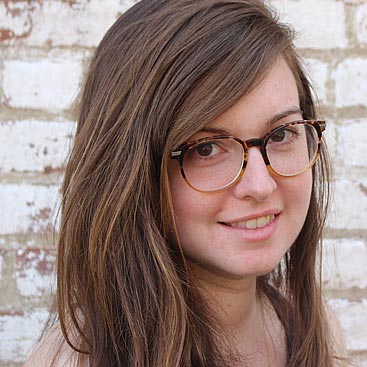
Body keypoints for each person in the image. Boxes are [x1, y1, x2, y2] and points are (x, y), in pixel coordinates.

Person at [24, 0, 349, 366]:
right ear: (132, 172)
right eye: (206, 148)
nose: (260, 186)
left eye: (281, 134)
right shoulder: (77, 361)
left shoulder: (314, 330)